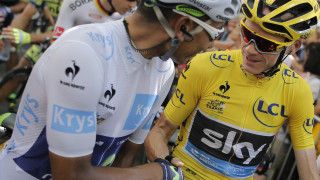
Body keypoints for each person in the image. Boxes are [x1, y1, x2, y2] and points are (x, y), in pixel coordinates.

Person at [0, 0, 241, 179]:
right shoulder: (84, 52)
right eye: (214, 34)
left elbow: (125, 158)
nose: (211, 45)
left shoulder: (164, 71)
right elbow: (71, 175)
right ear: (185, 26)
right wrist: (158, 174)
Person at [144, 0, 320, 179]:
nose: (250, 49)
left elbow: (309, 172)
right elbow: (159, 132)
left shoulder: (298, 92)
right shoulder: (206, 66)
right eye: (246, 34)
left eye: (266, 44)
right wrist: (165, 167)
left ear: (295, 46)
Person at [51, 0, 137, 43]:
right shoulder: (74, 3)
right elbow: (56, 42)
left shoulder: (134, 13)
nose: (133, 5)